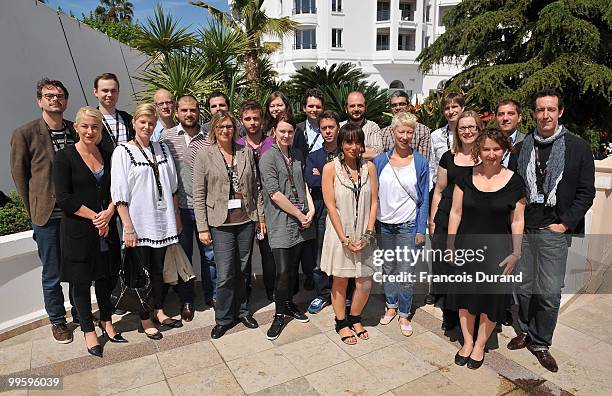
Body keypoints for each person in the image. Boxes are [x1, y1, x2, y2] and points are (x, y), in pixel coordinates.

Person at [508, 89, 595, 373]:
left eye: (550, 109)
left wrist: (564, 224)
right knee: (522, 287)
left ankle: (541, 341)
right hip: (524, 228)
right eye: (540, 109)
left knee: (547, 292)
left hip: (553, 231)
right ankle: (523, 330)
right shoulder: (521, 148)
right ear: (534, 113)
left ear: (560, 112)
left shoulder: (578, 147)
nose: (545, 115)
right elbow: (512, 188)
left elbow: (586, 193)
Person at [447, 127, 526, 370]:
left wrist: (516, 252)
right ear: (478, 149)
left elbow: (517, 220)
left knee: (490, 302)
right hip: (467, 249)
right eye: (486, 148)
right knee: (465, 298)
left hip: (498, 253)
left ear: (504, 150)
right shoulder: (465, 178)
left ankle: (480, 344)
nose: (491, 154)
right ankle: (467, 342)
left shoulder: (515, 182)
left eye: (496, 149)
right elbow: (455, 212)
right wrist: (450, 244)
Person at [53, 107, 125, 357]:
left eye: (95, 127)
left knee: (106, 278)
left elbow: (117, 189)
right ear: (76, 127)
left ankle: (106, 320)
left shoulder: (109, 153)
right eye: (85, 126)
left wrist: (109, 211)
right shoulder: (64, 157)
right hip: (79, 231)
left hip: (106, 229)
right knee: (81, 283)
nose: (90, 131)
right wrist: (96, 217)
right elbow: (63, 198)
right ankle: (87, 329)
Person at [10, 78, 77, 344]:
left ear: (66, 100)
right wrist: (35, 211)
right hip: (48, 217)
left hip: (75, 215)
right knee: (52, 273)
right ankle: (58, 321)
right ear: (40, 100)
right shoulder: (25, 133)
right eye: (49, 95)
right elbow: (20, 176)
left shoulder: (74, 130)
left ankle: (81, 313)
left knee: (77, 269)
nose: (54, 99)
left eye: (59, 95)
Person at [111, 103, 183, 340]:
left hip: (162, 221)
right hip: (139, 224)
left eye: (151, 123)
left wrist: (176, 218)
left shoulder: (161, 148)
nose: (147, 126)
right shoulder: (123, 151)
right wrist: (128, 227)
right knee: (141, 273)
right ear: (134, 123)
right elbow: (119, 194)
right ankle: (145, 318)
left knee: (158, 269)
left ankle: (159, 309)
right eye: (143, 122)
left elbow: (172, 187)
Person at [193, 111, 265, 339]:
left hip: (245, 219)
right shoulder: (204, 155)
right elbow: (198, 194)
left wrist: (260, 218)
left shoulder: (245, 152)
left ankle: (243, 311)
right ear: (214, 129)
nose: (226, 130)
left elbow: (255, 188)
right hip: (220, 223)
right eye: (221, 126)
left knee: (243, 270)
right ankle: (223, 318)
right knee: (224, 273)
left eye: (229, 126)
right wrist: (202, 227)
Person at [320, 123, 379, 344]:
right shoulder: (330, 169)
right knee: (341, 280)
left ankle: (355, 317)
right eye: (348, 142)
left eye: (357, 142)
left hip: (364, 234)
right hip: (339, 234)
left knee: (364, 281)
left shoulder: (369, 168)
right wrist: (344, 238)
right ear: (341, 144)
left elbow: (374, 202)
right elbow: (330, 205)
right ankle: (341, 322)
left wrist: (368, 235)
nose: (353, 147)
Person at [259, 111, 316, 340]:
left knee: (293, 269)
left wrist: (310, 210)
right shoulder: (267, 157)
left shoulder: (298, 154)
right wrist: (300, 215)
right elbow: (274, 194)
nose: (286, 135)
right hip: (282, 221)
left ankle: (290, 304)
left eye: (290, 131)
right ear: (274, 132)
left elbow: (303, 184)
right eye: (282, 130)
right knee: (282, 272)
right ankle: (279, 315)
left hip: (301, 219)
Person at [373, 112, 429, 337]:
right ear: (393, 132)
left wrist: (420, 230)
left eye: (409, 132)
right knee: (388, 269)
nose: (405, 136)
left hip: (407, 225)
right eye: (401, 131)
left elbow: (424, 197)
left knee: (406, 273)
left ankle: (405, 312)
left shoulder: (420, 162)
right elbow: (373, 196)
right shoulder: (380, 161)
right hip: (384, 225)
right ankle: (391, 306)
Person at [160, 95, 213, 321]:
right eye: (184, 110)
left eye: (193, 110)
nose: (189, 114)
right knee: (184, 257)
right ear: (177, 112)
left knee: (210, 257)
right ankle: (187, 301)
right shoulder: (167, 137)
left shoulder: (209, 138)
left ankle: (212, 296)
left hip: (205, 209)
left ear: (199, 111)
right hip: (179, 209)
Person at [429, 111, 483, 330]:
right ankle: (450, 313)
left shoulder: (486, 157)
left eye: (471, 127)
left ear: (479, 129)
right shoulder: (448, 158)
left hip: (473, 222)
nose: (467, 132)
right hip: (445, 217)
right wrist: (432, 220)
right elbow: (439, 190)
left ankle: (473, 312)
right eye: (462, 128)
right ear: (456, 132)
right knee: (446, 267)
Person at [236, 100, 277, 301]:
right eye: (248, 119)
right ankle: (245, 292)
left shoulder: (272, 143)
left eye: (256, 118)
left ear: (262, 120)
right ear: (242, 121)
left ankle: (272, 289)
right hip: (245, 207)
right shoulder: (236, 145)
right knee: (244, 254)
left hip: (270, 206)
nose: (252, 123)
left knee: (268, 252)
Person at [304, 111, 342, 314]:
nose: (328, 131)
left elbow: (351, 179)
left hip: (344, 211)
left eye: (331, 127)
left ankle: (344, 293)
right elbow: (311, 181)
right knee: (320, 255)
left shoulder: (347, 154)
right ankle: (322, 294)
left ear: (338, 128)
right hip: (321, 212)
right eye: (324, 128)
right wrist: (335, 179)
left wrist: (324, 177)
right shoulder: (313, 156)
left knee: (344, 253)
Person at [380, 90, 431, 159]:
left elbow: (423, 159)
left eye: (401, 104)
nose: (398, 108)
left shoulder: (423, 131)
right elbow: (381, 159)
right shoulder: (383, 133)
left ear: (408, 106)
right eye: (394, 105)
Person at [429, 93, 465, 188]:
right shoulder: (435, 136)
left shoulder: (470, 135)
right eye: (447, 108)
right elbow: (431, 166)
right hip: (441, 188)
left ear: (462, 108)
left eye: (454, 107)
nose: (451, 111)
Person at [93, 73, 135, 153]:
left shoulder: (128, 119)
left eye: (113, 91)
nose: (109, 94)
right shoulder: (91, 120)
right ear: (95, 92)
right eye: (105, 91)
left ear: (118, 92)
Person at [340, 91, 383, 160]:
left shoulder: (372, 127)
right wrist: (364, 151)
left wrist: (348, 153)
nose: (356, 109)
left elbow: (377, 152)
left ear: (365, 108)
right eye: (352, 106)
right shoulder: (339, 127)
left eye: (360, 106)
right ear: (346, 109)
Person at [292, 88, 325, 161]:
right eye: (311, 106)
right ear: (304, 108)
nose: (314, 110)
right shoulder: (296, 129)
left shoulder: (328, 129)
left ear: (323, 108)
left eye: (318, 107)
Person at [495, 99, 525, 167]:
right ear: (496, 118)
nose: (505, 118)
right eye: (501, 114)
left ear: (519, 118)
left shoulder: (527, 142)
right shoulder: (488, 143)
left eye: (510, 114)